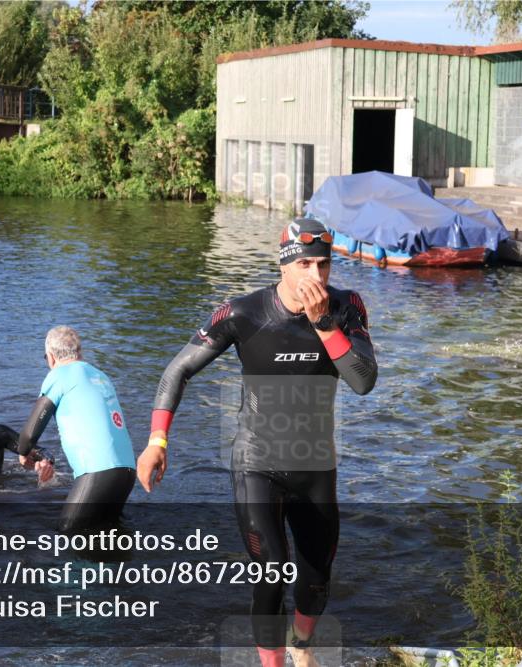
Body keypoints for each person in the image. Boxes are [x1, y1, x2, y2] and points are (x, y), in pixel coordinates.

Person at [136, 218, 377, 667]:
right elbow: (177, 370)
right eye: (304, 263)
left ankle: (300, 649)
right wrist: (157, 440)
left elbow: (363, 381)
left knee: (316, 580)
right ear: (283, 264)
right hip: (257, 462)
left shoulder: (345, 307)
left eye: (323, 264)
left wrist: (323, 323)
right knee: (270, 571)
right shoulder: (242, 313)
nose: (315, 275)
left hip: (314, 464)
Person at [18, 326, 136, 532]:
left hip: (97, 472)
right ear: (80, 353)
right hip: (126, 472)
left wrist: (24, 452)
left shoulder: (59, 375)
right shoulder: (101, 375)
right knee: (107, 537)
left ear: (51, 358)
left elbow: (29, 434)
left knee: (69, 536)